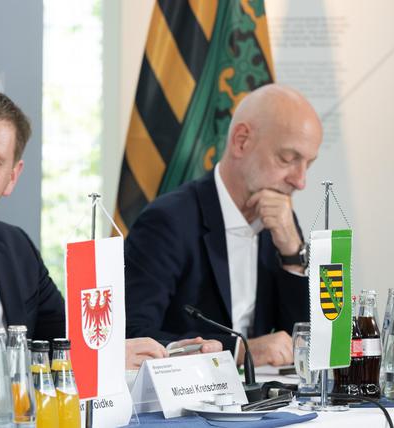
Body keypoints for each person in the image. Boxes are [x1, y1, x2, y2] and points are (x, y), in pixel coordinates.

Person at [0, 86, 220, 367]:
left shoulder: (17, 247)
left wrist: (166, 350)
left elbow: (64, 339)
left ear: (12, 176)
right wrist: (102, 361)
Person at [124, 84, 322, 367]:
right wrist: (240, 350)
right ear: (241, 141)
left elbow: (302, 341)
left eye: (308, 164)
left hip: (262, 401)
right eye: (288, 159)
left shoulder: (282, 223)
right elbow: (132, 337)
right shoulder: (167, 221)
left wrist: (292, 252)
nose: (300, 181)